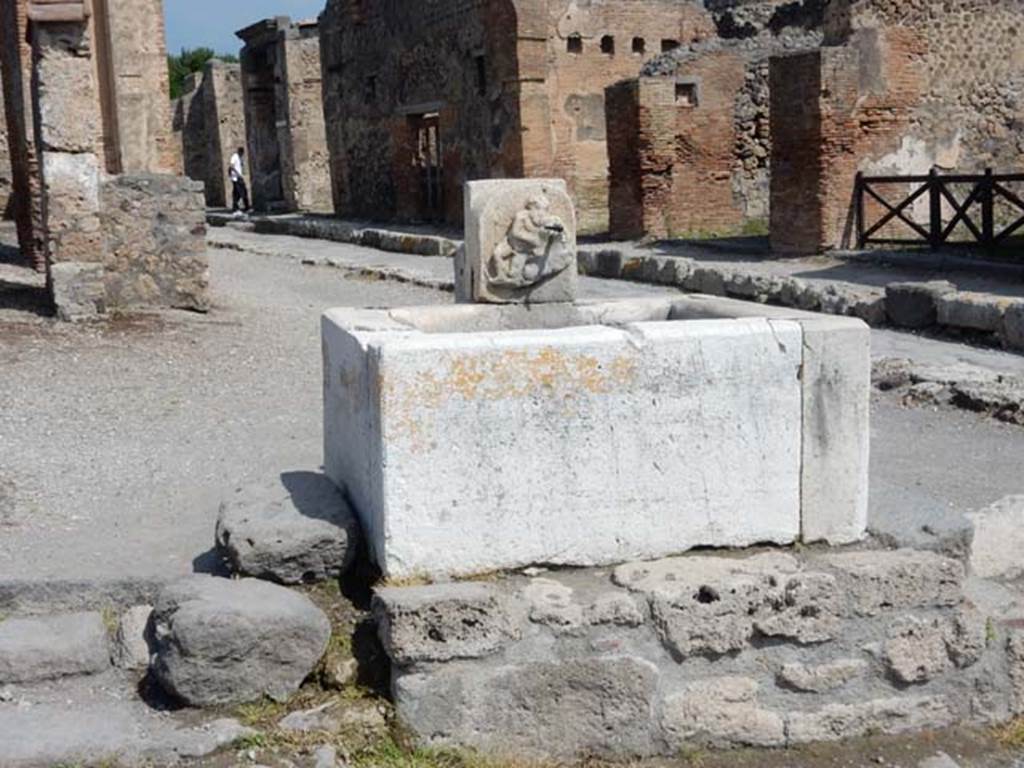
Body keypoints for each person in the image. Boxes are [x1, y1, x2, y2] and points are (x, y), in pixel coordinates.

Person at [229, 147, 250, 215]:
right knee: (240, 192)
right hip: (236, 178)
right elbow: (231, 166)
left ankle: (243, 207)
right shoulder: (234, 157)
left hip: (239, 177)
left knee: (240, 192)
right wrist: (237, 174)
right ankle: (239, 208)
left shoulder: (239, 158)